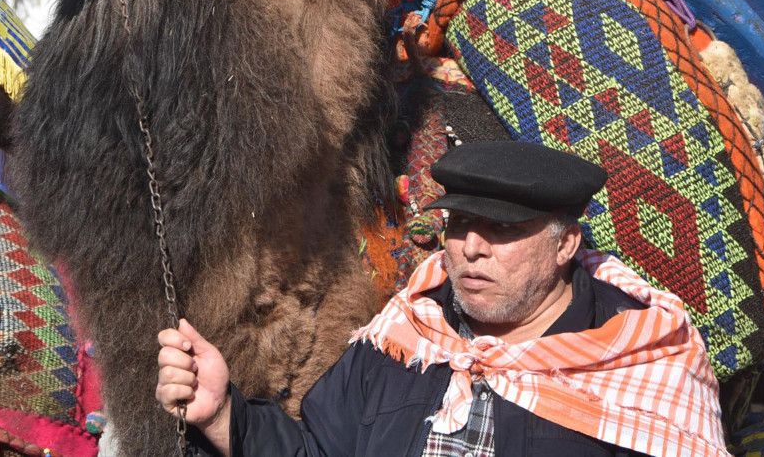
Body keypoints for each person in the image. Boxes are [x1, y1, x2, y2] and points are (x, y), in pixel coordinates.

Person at [156, 141, 728, 456]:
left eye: (502, 229)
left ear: (566, 244)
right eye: (459, 224)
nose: (470, 248)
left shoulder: (638, 364)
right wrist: (224, 414)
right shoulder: (407, 337)